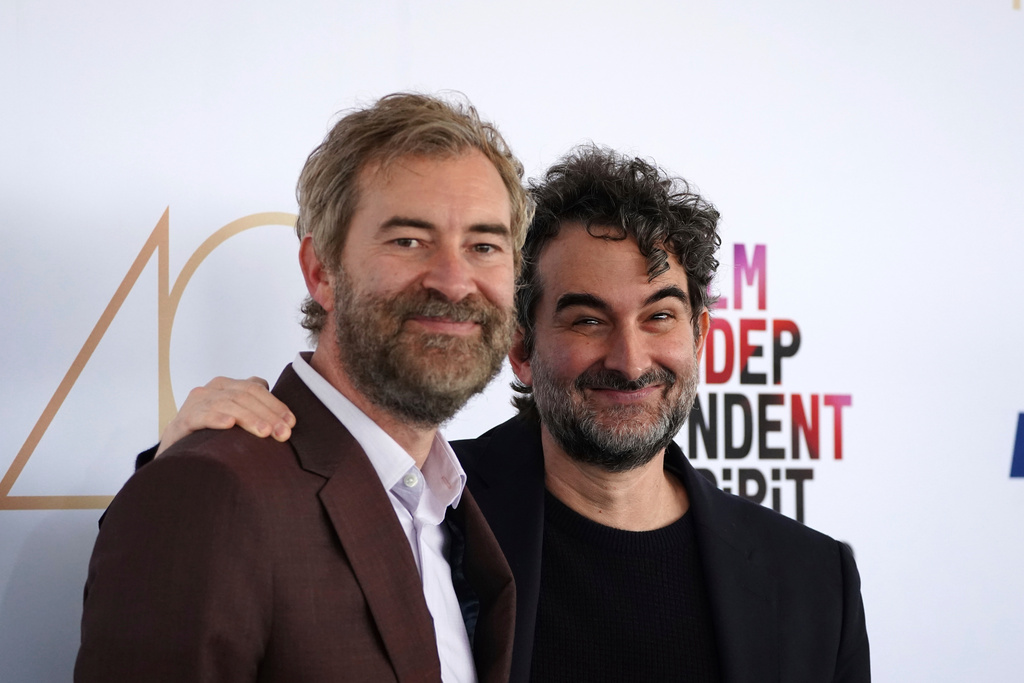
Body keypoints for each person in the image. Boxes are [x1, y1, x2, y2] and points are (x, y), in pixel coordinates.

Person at [137, 148, 871, 682]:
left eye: (660, 316)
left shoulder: (811, 578)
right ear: (520, 346)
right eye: (586, 320)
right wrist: (180, 457)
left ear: (702, 337)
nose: (629, 356)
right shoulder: (423, 511)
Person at [75, 92, 535, 683]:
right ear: (322, 271)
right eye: (408, 240)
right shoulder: (213, 492)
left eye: (484, 246)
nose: (454, 280)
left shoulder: (463, 508)